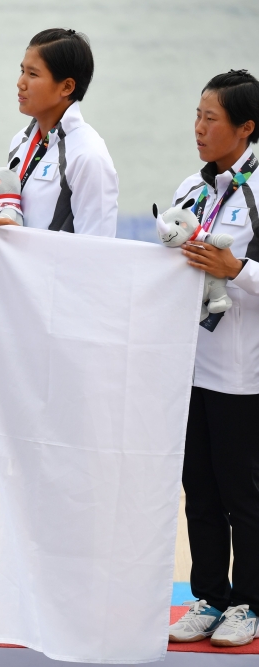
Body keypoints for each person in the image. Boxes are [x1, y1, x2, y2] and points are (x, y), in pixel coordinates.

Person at [166, 70, 259, 649]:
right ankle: (209, 596)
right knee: (197, 488)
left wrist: (239, 271)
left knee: (241, 494)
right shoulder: (189, 189)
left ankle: (249, 601)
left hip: (243, 373)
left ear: (246, 128)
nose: (198, 128)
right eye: (197, 115)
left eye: (211, 119)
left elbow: (233, 271)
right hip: (187, 367)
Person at [0, 29, 118, 236]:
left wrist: (23, 242)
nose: (20, 83)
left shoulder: (88, 156)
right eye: (22, 71)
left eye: (33, 74)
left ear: (67, 87)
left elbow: (97, 251)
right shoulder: (21, 141)